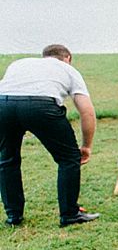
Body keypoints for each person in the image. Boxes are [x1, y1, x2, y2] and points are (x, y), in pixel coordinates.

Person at [0, 44, 99, 227]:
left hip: (3, 104)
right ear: (67, 57)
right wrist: (86, 146)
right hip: (41, 106)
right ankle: (69, 214)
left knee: (7, 160)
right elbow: (87, 112)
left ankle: (13, 216)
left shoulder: (19, 63)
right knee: (68, 158)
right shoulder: (68, 69)